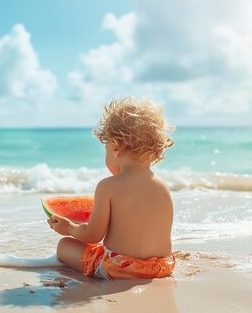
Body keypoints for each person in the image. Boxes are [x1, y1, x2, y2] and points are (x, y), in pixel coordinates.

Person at [47, 97, 176, 279]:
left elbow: (93, 235)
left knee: (64, 246)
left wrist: (69, 228)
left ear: (115, 146)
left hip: (120, 268)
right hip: (162, 267)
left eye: (106, 149)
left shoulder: (107, 186)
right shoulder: (163, 186)